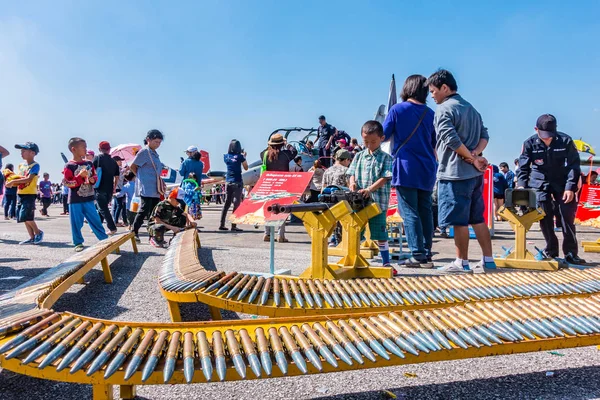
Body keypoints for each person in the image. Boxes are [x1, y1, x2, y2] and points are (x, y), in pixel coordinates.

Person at [427, 69, 494, 274]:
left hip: (455, 173)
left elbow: (451, 139)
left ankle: (461, 262)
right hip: (475, 176)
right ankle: (488, 260)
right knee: (478, 218)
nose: (432, 96)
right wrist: (476, 154)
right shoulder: (471, 108)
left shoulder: (444, 109)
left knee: (459, 220)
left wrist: (472, 158)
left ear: (444, 88)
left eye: (433, 91)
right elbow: (485, 135)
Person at [383, 74, 437, 269]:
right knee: (425, 210)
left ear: (407, 88)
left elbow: (384, 135)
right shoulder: (431, 113)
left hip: (406, 166)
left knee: (409, 210)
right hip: (428, 167)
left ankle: (417, 254)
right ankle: (427, 251)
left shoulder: (397, 109)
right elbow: (434, 142)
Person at [517, 114, 585, 265]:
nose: (547, 139)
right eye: (544, 136)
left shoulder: (566, 141)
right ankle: (551, 250)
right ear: (536, 129)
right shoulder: (529, 144)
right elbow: (523, 167)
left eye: (550, 136)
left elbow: (574, 166)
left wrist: (570, 188)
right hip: (539, 183)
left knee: (567, 216)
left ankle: (570, 253)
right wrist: (521, 186)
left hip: (562, 182)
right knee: (544, 217)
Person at [347, 120, 393, 268]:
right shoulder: (359, 156)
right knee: (356, 231)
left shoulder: (387, 158)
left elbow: (385, 177)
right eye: (366, 141)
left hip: (377, 203)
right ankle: (355, 259)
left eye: (373, 141)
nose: (369, 145)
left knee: (380, 232)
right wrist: (352, 183)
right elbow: (351, 173)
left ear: (382, 138)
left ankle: (386, 262)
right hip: (359, 203)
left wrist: (369, 189)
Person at [62, 138, 109, 251]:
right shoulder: (69, 166)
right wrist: (79, 176)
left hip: (88, 197)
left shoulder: (88, 163)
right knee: (76, 222)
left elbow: (95, 176)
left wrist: (92, 179)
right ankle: (78, 242)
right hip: (75, 199)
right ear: (74, 149)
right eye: (83, 147)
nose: (86, 149)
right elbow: (68, 183)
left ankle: (104, 240)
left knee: (95, 220)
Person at [260, 133, 298, 242]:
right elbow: (294, 152)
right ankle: (280, 235)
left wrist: (270, 145)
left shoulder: (265, 154)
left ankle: (267, 233)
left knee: (268, 209)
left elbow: (261, 152)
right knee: (282, 210)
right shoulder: (286, 154)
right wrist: (287, 144)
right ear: (282, 144)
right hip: (283, 185)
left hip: (269, 185)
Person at [5, 143, 44, 244]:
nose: (21, 153)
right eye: (21, 151)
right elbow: (20, 178)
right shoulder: (21, 165)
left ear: (32, 153)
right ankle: (31, 237)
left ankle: (38, 232)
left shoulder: (35, 165)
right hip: (20, 193)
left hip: (30, 193)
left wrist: (13, 182)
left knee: (27, 215)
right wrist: (11, 179)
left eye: (24, 151)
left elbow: (29, 179)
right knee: (22, 217)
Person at [131, 129, 165, 243]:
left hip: (155, 187)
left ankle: (154, 235)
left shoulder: (154, 153)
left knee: (155, 212)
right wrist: (141, 177)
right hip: (146, 187)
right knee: (144, 210)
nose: (158, 144)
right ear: (148, 140)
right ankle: (134, 231)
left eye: (159, 142)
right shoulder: (144, 152)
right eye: (156, 142)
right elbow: (133, 166)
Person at [322, 149, 352, 246]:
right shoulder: (346, 171)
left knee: (332, 221)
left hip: (328, 201)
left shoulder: (327, 171)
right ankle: (339, 241)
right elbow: (350, 186)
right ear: (346, 160)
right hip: (342, 201)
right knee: (342, 222)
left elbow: (323, 188)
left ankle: (332, 239)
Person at [220, 139, 248, 231]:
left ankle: (222, 224)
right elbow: (246, 167)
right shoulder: (240, 157)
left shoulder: (226, 157)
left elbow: (230, 162)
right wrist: (244, 157)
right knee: (236, 204)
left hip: (228, 181)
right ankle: (233, 225)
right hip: (237, 181)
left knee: (227, 204)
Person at [93, 141, 120, 235]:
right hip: (109, 189)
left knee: (103, 208)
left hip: (99, 187)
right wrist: (114, 187)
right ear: (109, 149)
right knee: (102, 209)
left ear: (100, 149)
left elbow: (91, 171)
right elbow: (117, 176)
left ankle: (112, 228)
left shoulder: (97, 158)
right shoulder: (113, 162)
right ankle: (97, 227)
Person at [112, 156, 128, 227]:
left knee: (118, 205)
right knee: (119, 205)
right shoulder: (115, 169)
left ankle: (117, 221)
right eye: (119, 161)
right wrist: (125, 170)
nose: (121, 162)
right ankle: (116, 221)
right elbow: (118, 177)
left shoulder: (119, 168)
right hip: (117, 188)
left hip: (119, 188)